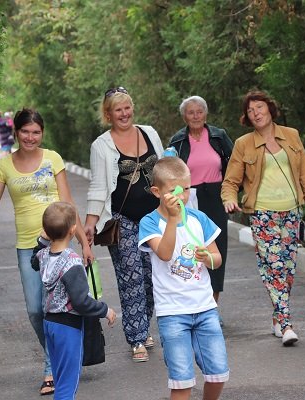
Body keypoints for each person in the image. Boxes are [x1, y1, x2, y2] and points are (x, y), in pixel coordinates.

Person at [0, 108, 91, 395]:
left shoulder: (52, 158)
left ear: (42, 133)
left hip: (60, 243)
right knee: (34, 309)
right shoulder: (4, 166)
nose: (30, 137)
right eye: (25, 131)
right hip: (28, 245)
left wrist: (84, 241)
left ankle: (51, 367)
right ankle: (55, 356)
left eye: (36, 132)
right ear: (16, 132)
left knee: (60, 307)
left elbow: (67, 202)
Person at [221, 90, 305, 346]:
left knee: (287, 268)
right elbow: (230, 182)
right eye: (250, 110)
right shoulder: (243, 144)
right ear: (247, 117)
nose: (256, 113)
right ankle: (287, 323)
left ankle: (277, 317)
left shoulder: (291, 136)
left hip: (291, 212)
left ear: (270, 109)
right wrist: (229, 199)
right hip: (262, 214)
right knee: (274, 266)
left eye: (259, 107)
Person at [84, 86, 164, 362]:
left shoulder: (150, 132)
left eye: (127, 107)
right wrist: (90, 223)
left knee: (154, 277)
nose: (124, 113)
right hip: (122, 220)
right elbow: (97, 186)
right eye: (117, 109)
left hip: (156, 219)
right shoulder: (101, 145)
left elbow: (164, 171)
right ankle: (137, 337)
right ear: (108, 114)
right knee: (131, 278)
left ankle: (143, 322)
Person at [138, 157, 229, 400]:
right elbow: (165, 254)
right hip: (173, 313)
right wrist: (173, 219)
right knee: (182, 381)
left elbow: (217, 259)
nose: (183, 195)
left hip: (206, 308)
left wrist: (207, 258)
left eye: (187, 189)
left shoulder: (199, 219)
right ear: (157, 192)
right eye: (175, 191)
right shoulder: (149, 222)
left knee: (218, 373)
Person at [35, 202, 116, 400]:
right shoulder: (72, 262)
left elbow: (32, 260)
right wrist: (104, 310)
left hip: (49, 323)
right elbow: (80, 301)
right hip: (68, 327)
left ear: (46, 231)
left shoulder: (43, 255)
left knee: (59, 375)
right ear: (73, 230)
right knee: (67, 385)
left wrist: (41, 241)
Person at [168, 96, 234, 316]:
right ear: (184, 116)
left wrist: (231, 194)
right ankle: (194, 305)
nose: (195, 116)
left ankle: (212, 307)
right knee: (191, 250)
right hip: (189, 199)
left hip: (215, 197)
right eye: (190, 112)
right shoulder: (177, 141)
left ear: (205, 114)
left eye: (199, 112)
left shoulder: (219, 136)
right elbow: (169, 172)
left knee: (216, 250)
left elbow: (234, 166)